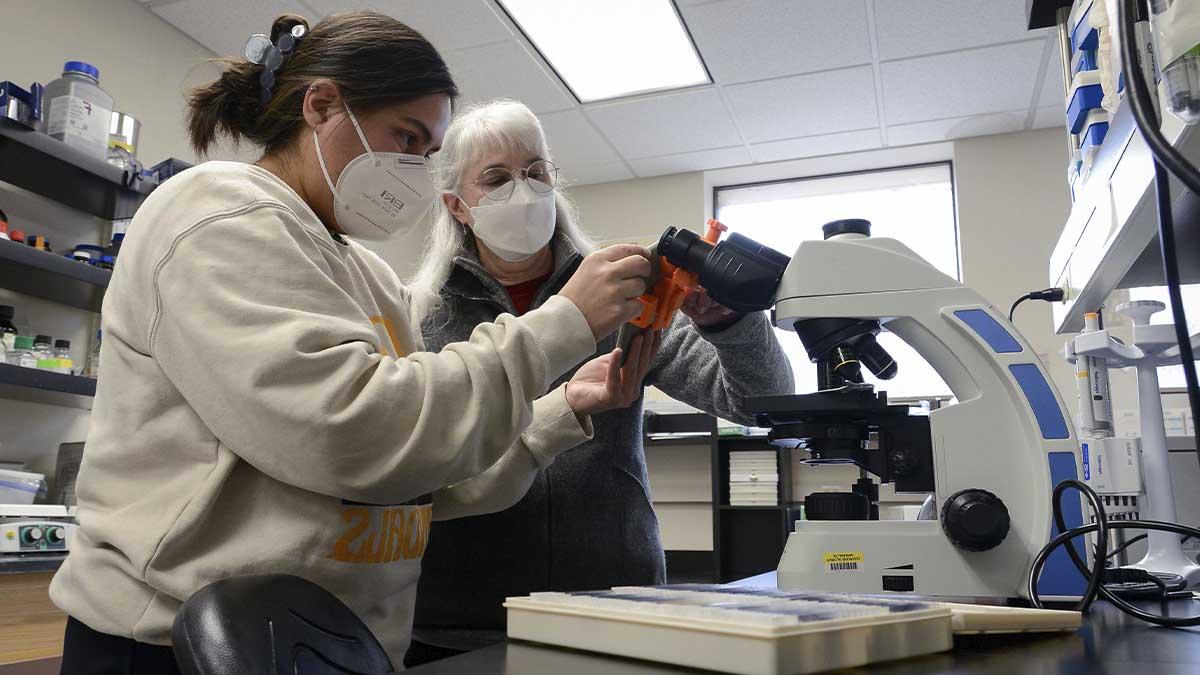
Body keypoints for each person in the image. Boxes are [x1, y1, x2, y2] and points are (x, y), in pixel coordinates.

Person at [48, 13, 658, 673]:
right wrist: (563, 320)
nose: (412, 169)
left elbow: (412, 469)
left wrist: (560, 411)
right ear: (321, 105)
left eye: (427, 153)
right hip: (185, 646)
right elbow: (349, 434)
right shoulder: (218, 214)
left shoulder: (366, 273)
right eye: (406, 136)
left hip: (334, 646)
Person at [405, 99, 796, 664]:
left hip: (615, 601)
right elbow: (413, 460)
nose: (524, 189)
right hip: (458, 618)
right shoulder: (418, 315)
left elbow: (763, 405)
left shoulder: (622, 293)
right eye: (496, 178)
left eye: (536, 171)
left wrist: (728, 323)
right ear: (457, 206)